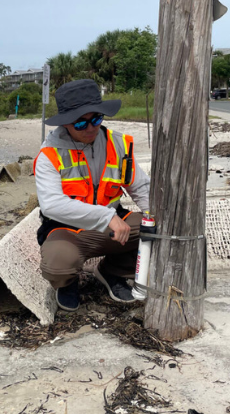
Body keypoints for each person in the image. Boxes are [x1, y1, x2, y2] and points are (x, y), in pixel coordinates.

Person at [34, 79, 150, 311]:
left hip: (115, 225)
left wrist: (154, 214)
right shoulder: (49, 155)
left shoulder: (119, 144)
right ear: (65, 123)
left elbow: (141, 188)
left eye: (96, 119)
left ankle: (111, 271)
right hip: (66, 229)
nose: (90, 128)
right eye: (80, 123)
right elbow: (52, 206)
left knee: (157, 232)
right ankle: (68, 282)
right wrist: (105, 217)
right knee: (58, 264)